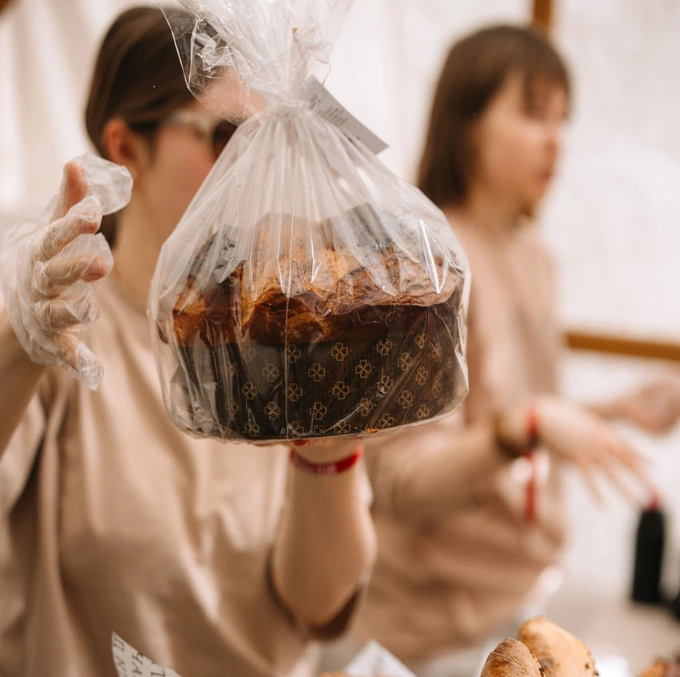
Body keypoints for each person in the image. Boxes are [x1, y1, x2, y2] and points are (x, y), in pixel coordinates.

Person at [0, 7, 376, 677]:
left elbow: (318, 605)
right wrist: (16, 340)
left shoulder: (287, 333)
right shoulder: (61, 335)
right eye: (224, 135)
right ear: (125, 147)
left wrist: (329, 456)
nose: (251, 169)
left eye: (265, 142)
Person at [350, 24, 680, 677]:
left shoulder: (533, 257)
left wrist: (614, 409)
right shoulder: (423, 263)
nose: (556, 139)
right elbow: (404, 481)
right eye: (534, 113)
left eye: (562, 119)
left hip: (515, 602)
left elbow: (508, 412)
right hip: (427, 633)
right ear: (467, 123)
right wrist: (527, 424)